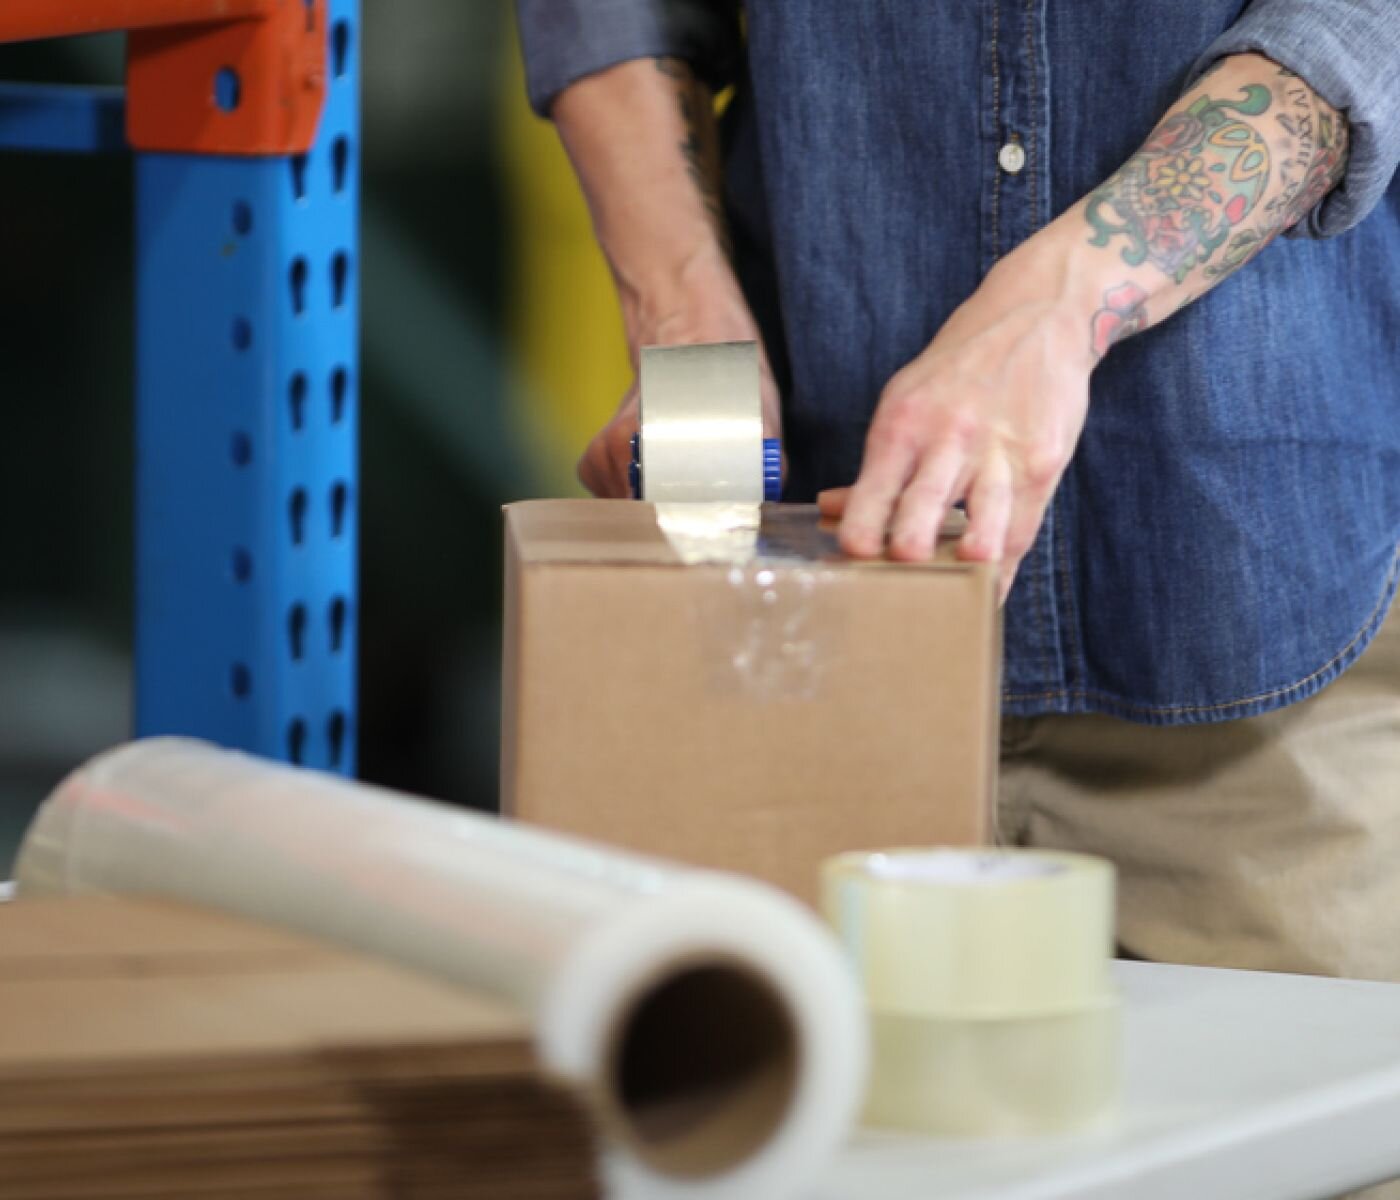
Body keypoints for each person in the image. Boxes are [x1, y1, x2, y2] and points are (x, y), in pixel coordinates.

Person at [513, 3, 1400, 986]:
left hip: (1270, 691)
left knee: (1297, 1087)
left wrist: (1059, 306)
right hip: (807, 669)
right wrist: (680, 307)